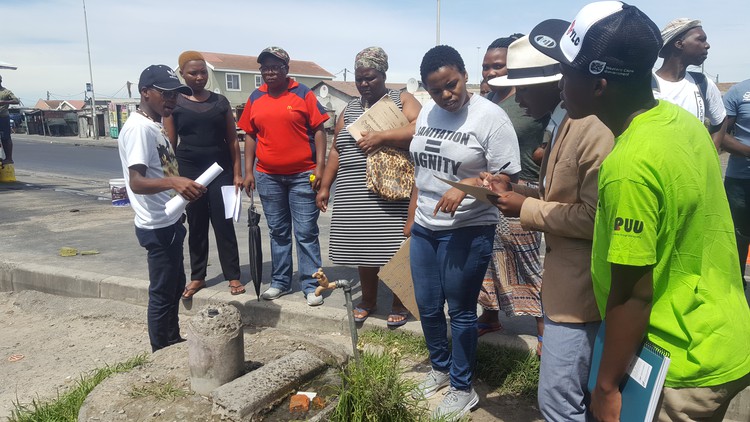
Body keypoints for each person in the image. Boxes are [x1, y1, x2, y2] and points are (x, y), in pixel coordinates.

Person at [530, 2, 750, 421]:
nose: (560, 83)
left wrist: (607, 386)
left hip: (680, 364)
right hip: (725, 335)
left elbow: (634, 292)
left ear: (598, 85)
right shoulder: (680, 122)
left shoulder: (628, 165)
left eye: (568, 72)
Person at [485, 35, 613, 421]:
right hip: (563, 285)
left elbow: (596, 217)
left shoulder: (594, 129)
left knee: (559, 400)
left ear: (553, 83)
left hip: (582, 290)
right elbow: (556, 192)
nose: (517, 100)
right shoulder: (565, 123)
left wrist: (526, 207)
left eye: (521, 89)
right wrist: (517, 189)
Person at [408, 45, 520, 421]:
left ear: (464, 74)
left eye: (452, 84)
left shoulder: (491, 117)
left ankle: (462, 387)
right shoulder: (427, 110)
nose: (446, 95)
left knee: (460, 311)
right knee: (426, 306)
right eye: (437, 89)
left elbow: (506, 181)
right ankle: (439, 368)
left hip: (468, 227)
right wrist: (413, 219)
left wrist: (468, 181)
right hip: (426, 225)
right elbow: (421, 173)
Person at [316, 47, 421, 326]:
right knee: (365, 248)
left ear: (383, 74)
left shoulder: (402, 99)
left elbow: (420, 129)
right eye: (360, 79)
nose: (364, 84)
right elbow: (337, 150)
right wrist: (326, 186)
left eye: (370, 78)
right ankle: (369, 300)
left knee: (395, 247)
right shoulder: (350, 108)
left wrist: (382, 137)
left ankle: (400, 303)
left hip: (392, 190)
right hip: (353, 190)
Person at [117, 64, 206, 352]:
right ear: (145, 92)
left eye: (175, 94)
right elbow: (137, 182)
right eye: (165, 93)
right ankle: (161, 351)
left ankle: (172, 340)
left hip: (168, 219)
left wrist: (179, 186)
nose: (171, 99)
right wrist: (174, 182)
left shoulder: (153, 125)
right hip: (156, 224)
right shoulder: (139, 129)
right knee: (162, 292)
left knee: (173, 286)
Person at [239, 47, 329, 306]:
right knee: (278, 232)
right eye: (265, 67)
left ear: (286, 69)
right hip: (268, 176)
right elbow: (250, 135)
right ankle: (279, 281)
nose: (269, 72)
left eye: (275, 67)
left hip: (303, 175)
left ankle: (311, 285)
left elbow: (320, 130)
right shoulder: (256, 97)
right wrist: (248, 172)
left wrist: (319, 168)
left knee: (305, 232)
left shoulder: (303, 94)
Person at [477, 34, 546, 351]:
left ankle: (544, 329)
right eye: (486, 67)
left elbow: (552, 140)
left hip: (525, 191)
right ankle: (490, 317)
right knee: (489, 260)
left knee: (526, 263)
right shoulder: (487, 103)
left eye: (498, 66)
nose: (490, 73)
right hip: (488, 191)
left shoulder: (532, 100)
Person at [164, 51, 244, 298]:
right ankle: (198, 276)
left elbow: (232, 140)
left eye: (202, 72)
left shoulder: (220, 102)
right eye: (193, 73)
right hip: (189, 170)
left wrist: (238, 173)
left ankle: (233, 275)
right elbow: (169, 142)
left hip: (221, 170)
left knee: (223, 224)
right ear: (182, 74)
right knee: (197, 224)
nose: (199, 77)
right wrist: (172, 179)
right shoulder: (174, 102)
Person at [654, 18, 726, 149]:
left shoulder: (703, 83)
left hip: (694, 169)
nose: (707, 45)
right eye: (701, 39)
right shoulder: (648, 86)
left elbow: (720, 121)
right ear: (679, 44)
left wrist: (710, 154)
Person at [722, 79, 750, 287]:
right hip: (740, 181)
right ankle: (736, 287)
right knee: (737, 236)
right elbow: (721, 134)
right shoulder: (738, 92)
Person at [0, 75, 20, 165]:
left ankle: (9, 158)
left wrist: (4, 102)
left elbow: (16, 100)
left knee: (5, 138)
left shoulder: (6, 92)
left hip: (3, 117)